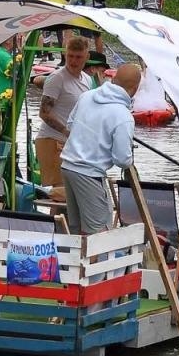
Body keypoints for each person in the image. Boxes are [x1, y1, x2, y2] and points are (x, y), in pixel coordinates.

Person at [59, 62, 141, 234]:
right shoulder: (123, 115)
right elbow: (122, 159)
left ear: (114, 78)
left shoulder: (87, 96)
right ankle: (96, 261)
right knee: (99, 231)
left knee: (77, 227)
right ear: (134, 89)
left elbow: (70, 125)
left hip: (68, 166)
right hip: (89, 172)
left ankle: (75, 260)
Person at [36, 36, 93, 198]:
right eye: (70, 56)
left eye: (78, 57)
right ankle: (56, 223)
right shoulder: (57, 78)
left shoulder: (87, 80)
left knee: (70, 191)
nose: (73, 61)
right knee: (62, 192)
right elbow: (44, 113)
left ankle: (67, 223)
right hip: (52, 139)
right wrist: (67, 132)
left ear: (86, 57)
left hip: (72, 142)